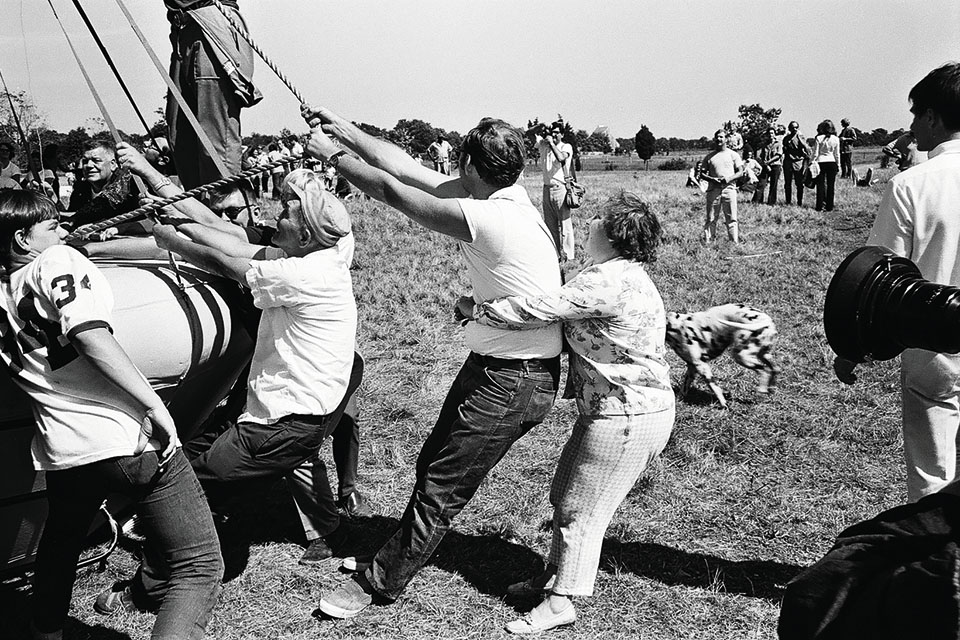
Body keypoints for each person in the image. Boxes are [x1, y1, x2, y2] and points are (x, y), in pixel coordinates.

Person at [301, 105, 562, 618]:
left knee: (441, 485)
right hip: (499, 366)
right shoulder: (501, 197)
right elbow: (402, 166)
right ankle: (393, 554)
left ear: (467, 163)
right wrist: (346, 131)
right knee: (431, 465)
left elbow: (396, 193)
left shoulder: (489, 216)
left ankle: (379, 583)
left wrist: (332, 155)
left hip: (516, 379)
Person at [0, 190, 223, 640]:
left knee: (61, 544)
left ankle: (46, 632)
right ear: (23, 238)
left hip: (61, 447)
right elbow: (88, 335)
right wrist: (153, 404)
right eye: (52, 227)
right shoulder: (55, 261)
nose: (63, 232)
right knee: (198, 567)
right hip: (120, 435)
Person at [457, 191, 675, 635]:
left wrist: (476, 310)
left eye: (598, 219)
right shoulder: (616, 273)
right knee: (564, 495)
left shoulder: (607, 281)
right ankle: (553, 576)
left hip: (627, 415)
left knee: (582, 510)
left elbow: (539, 309)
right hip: (614, 410)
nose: (588, 222)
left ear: (613, 236)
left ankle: (560, 604)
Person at [150, 168, 362, 563]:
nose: (274, 215)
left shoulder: (299, 272)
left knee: (187, 484)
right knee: (188, 454)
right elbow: (231, 243)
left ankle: (174, 564)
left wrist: (171, 241)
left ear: (304, 236)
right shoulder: (329, 247)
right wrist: (181, 226)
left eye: (285, 211)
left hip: (286, 416)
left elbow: (226, 262)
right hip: (279, 403)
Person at [862, 62, 960, 502]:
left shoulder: (911, 185)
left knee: (933, 474)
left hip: (934, 341)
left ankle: (934, 561)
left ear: (935, 117)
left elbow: (878, 276)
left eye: (917, 114)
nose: (913, 125)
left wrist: (854, 346)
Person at [164, 0, 261, 190]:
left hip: (208, 21)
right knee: (180, 137)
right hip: (181, 30)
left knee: (215, 140)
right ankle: (200, 210)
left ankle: (227, 211)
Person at [66, 140, 141, 232]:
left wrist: (95, 225)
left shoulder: (127, 182)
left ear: (113, 165)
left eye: (96, 160)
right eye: (85, 161)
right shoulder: (81, 189)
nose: (89, 165)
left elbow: (106, 202)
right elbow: (74, 213)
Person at [534, 121, 576, 260]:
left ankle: (569, 255)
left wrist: (552, 144)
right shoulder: (543, 146)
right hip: (547, 188)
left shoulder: (566, 146)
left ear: (562, 134)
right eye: (552, 132)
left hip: (560, 188)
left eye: (557, 132)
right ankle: (555, 254)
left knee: (565, 223)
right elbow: (529, 135)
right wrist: (540, 128)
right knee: (550, 224)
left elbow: (561, 157)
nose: (554, 134)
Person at [698, 129, 745, 243]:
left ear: (726, 139)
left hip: (729, 189)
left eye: (721, 137)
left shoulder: (733, 155)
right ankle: (709, 242)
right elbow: (702, 174)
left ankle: (734, 242)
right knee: (711, 218)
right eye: (717, 137)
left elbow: (740, 172)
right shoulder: (709, 157)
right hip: (714, 190)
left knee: (732, 217)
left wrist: (728, 179)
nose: (719, 139)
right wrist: (712, 179)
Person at [812, 120, 841, 212]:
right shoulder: (836, 139)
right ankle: (829, 206)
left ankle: (819, 206)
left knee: (820, 185)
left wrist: (812, 162)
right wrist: (838, 165)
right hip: (831, 162)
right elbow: (837, 154)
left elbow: (815, 153)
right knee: (831, 185)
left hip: (821, 162)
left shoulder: (819, 138)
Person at [782, 121, 810, 206]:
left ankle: (799, 202)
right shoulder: (786, 138)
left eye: (796, 127)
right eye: (793, 127)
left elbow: (807, 149)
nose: (794, 129)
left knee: (799, 183)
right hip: (788, 162)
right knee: (787, 183)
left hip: (798, 162)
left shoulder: (800, 137)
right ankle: (788, 201)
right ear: (789, 128)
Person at [757, 126, 783, 205]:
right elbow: (761, 156)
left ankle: (771, 202)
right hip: (766, 166)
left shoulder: (778, 144)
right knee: (761, 183)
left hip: (775, 165)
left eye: (772, 133)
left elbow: (778, 155)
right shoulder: (764, 144)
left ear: (775, 134)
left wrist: (768, 162)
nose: (770, 135)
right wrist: (765, 164)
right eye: (769, 133)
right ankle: (757, 201)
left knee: (773, 184)